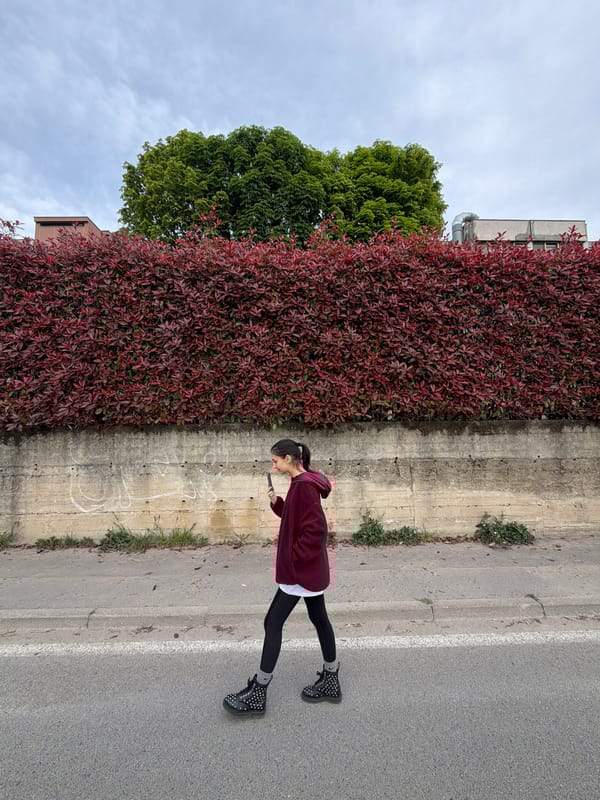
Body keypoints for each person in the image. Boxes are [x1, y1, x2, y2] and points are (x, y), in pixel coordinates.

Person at [223, 439, 341, 717]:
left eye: (275, 460)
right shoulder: (303, 483)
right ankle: (331, 680)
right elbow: (297, 518)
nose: (273, 465)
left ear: (289, 458)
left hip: (300, 572)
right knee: (320, 619)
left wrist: (294, 558)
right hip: (308, 570)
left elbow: (316, 530)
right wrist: (278, 505)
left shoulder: (303, 486)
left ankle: (258, 693)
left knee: (272, 622)